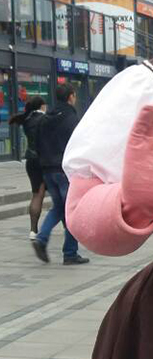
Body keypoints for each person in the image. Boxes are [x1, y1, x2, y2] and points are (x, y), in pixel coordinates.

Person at [32, 85, 88, 265]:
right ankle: (70, 253)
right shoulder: (71, 118)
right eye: (74, 96)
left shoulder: (45, 118)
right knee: (71, 210)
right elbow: (79, 144)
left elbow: (36, 144)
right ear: (70, 97)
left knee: (58, 207)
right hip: (65, 171)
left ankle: (41, 239)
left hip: (48, 170)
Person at [9, 96, 47, 240]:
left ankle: (33, 230)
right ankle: (65, 226)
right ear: (42, 106)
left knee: (36, 194)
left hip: (30, 161)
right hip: (44, 160)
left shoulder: (26, 120)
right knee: (57, 194)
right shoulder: (45, 119)